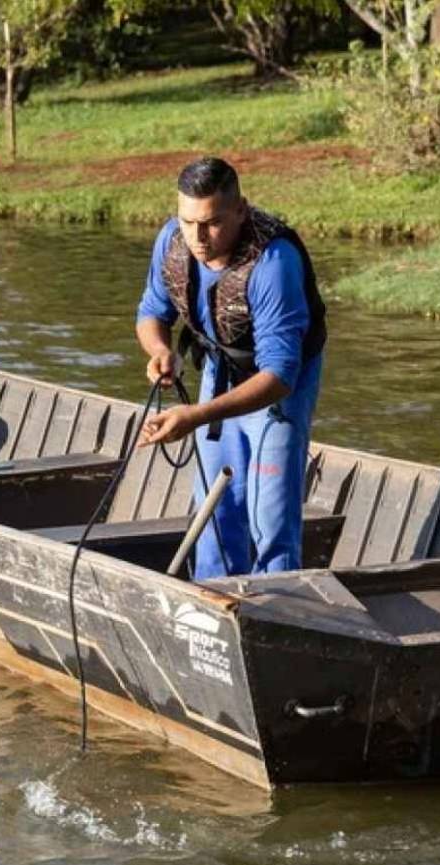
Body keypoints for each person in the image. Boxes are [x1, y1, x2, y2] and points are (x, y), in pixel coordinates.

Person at [134, 156, 327, 580]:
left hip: (278, 387)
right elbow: (152, 311)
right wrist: (161, 351)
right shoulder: (172, 241)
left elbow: (280, 376)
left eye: (212, 223)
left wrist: (198, 416)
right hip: (219, 370)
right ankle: (210, 602)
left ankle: (278, 607)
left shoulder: (273, 264)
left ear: (241, 210)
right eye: (188, 222)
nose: (198, 237)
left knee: (269, 516)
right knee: (215, 510)